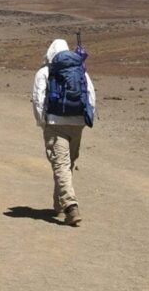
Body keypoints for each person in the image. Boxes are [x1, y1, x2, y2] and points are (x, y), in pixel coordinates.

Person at [31, 39, 96, 226]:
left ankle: (70, 207)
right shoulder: (80, 70)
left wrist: (42, 122)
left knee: (60, 164)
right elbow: (90, 94)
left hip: (55, 122)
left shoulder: (45, 71)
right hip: (77, 123)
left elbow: (38, 99)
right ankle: (59, 204)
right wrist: (86, 119)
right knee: (66, 164)